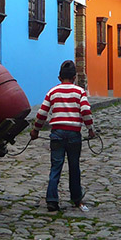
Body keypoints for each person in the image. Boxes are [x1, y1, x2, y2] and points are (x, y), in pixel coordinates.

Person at [30, 60, 96, 212]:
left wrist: (36, 131)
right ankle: (76, 198)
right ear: (74, 77)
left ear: (59, 78)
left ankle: (52, 200)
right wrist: (90, 129)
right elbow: (86, 112)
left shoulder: (52, 92)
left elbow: (42, 114)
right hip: (74, 135)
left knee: (56, 167)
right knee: (74, 167)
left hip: (57, 135)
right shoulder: (80, 92)